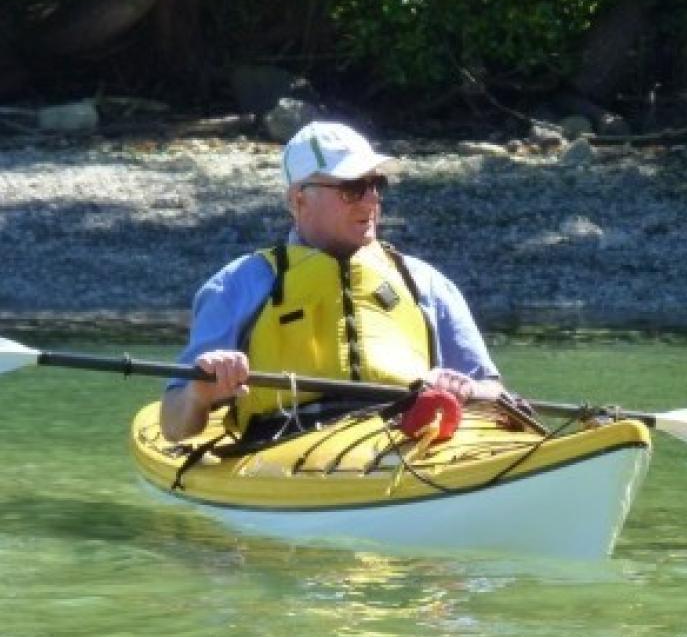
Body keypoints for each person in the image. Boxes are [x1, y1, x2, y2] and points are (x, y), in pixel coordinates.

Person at [160, 121, 506, 443]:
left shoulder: (425, 283)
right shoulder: (236, 287)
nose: (372, 200)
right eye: (352, 188)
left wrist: (467, 389)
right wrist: (198, 394)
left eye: (376, 185)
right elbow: (174, 426)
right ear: (299, 199)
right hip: (283, 443)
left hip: (407, 437)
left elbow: (494, 393)